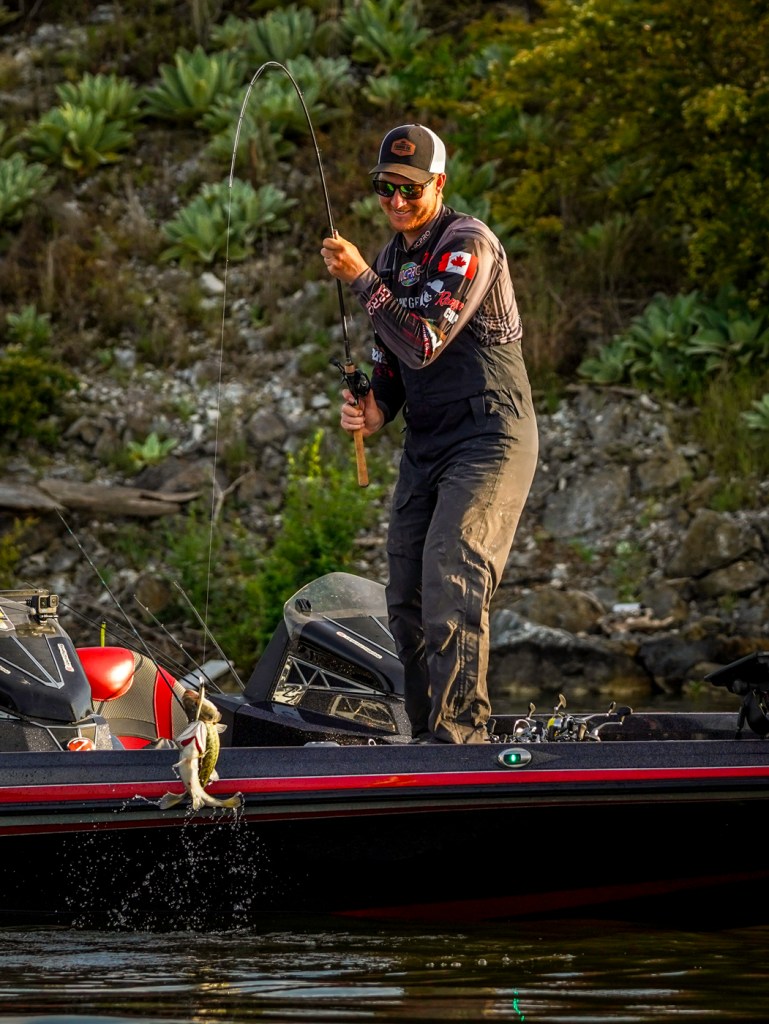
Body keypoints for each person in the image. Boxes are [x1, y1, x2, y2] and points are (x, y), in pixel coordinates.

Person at [320, 123, 538, 744]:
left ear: (438, 184)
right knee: (407, 597)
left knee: (452, 577)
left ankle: (461, 741)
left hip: (490, 433)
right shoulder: (391, 259)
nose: (395, 200)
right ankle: (425, 741)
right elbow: (393, 366)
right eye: (385, 187)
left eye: (410, 189)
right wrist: (375, 409)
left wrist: (362, 280)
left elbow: (423, 340)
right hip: (427, 442)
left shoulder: (468, 243)